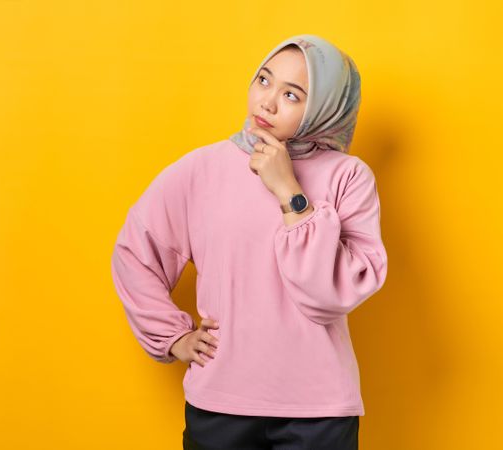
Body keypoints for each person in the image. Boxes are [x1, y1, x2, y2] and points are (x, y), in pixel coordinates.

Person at [110, 33, 388, 450]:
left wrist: (289, 193)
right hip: (220, 403)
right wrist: (172, 336)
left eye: (292, 95)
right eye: (263, 80)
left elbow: (326, 296)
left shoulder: (348, 177)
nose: (267, 102)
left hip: (319, 412)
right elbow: (136, 252)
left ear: (326, 108)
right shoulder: (201, 170)